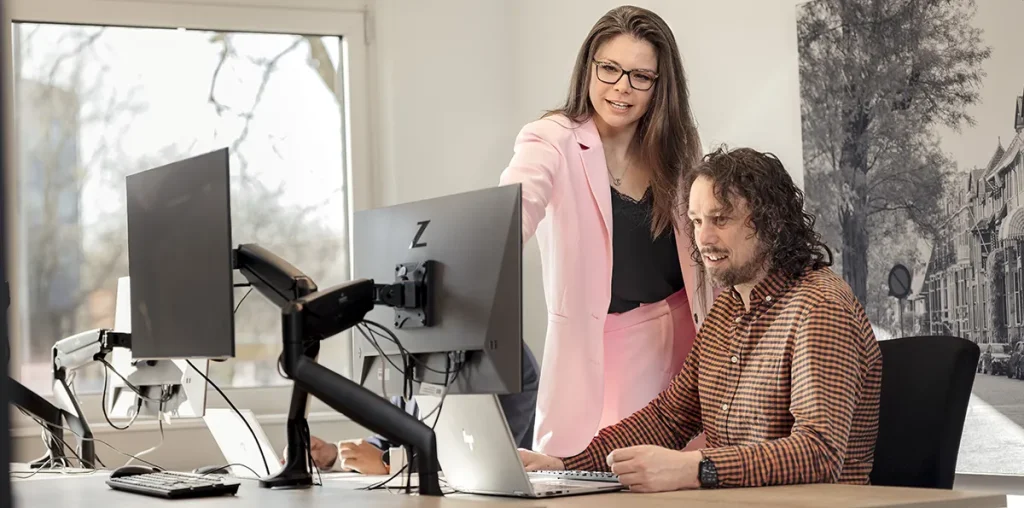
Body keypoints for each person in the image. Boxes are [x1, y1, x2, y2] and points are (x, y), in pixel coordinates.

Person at [518, 146, 883, 492]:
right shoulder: (726, 310)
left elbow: (819, 453)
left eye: (720, 220)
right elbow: (669, 418)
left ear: (772, 222)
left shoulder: (819, 306)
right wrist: (564, 465)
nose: (703, 238)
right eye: (696, 221)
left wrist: (695, 468)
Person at [499, 5, 711, 458]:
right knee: (599, 477)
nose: (621, 87)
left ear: (660, 85)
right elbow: (513, 209)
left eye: (640, 76)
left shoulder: (680, 148)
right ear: (588, 67)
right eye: (610, 69)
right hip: (602, 354)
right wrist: (486, 255)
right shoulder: (550, 139)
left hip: (687, 344)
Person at [299, 350, 540, 473]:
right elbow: (392, 438)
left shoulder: (508, 359)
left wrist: (389, 464)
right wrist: (331, 454)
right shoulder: (416, 354)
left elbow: (486, 462)